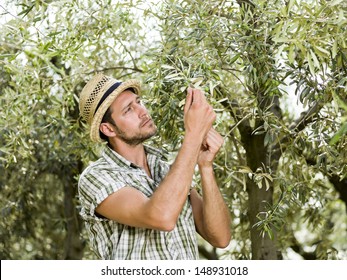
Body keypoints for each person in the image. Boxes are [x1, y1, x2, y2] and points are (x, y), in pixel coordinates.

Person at [78, 73, 231, 260]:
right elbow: (162, 217)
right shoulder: (96, 177)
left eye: (138, 102)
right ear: (108, 129)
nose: (142, 111)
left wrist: (205, 166)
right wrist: (194, 134)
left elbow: (220, 238)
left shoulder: (167, 170)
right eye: (128, 110)